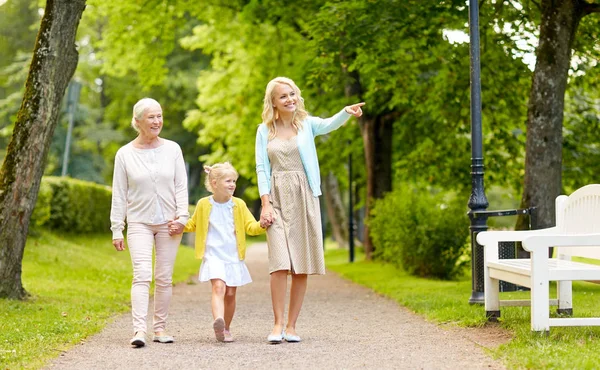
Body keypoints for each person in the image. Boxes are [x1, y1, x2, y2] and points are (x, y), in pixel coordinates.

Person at [255, 76, 364, 344]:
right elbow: (261, 167)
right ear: (273, 102)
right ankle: (277, 324)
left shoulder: (306, 125)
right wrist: (265, 203)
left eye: (292, 94)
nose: (290, 99)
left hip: (304, 196)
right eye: (283, 96)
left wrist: (346, 112)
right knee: (279, 264)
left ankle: (292, 326)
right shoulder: (263, 131)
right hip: (277, 198)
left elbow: (328, 124)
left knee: (300, 265)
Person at [110, 98, 189, 348]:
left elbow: (180, 186)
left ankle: (160, 328)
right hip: (139, 223)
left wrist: (183, 217)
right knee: (142, 275)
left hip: (169, 223)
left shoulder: (173, 149)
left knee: (164, 277)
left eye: (159, 116)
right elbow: (119, 193)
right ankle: (138, 330)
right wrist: (116, 228)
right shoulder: (124, 154)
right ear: (138, 122)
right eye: (151, 117)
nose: (157, 121)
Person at [170, 162, 266, 342]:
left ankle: (226, 329)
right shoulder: (204, 204)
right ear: (214, 183)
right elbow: (193, 224)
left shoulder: (239, 205)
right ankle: (218, 321)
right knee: (218, 287)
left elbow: (250, 227)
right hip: (213, 256)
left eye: (234, 181)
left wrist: (262, 225)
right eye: (228, 181)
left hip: (233, 256)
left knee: (230, 294)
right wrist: (180, 226)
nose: (233, 185)